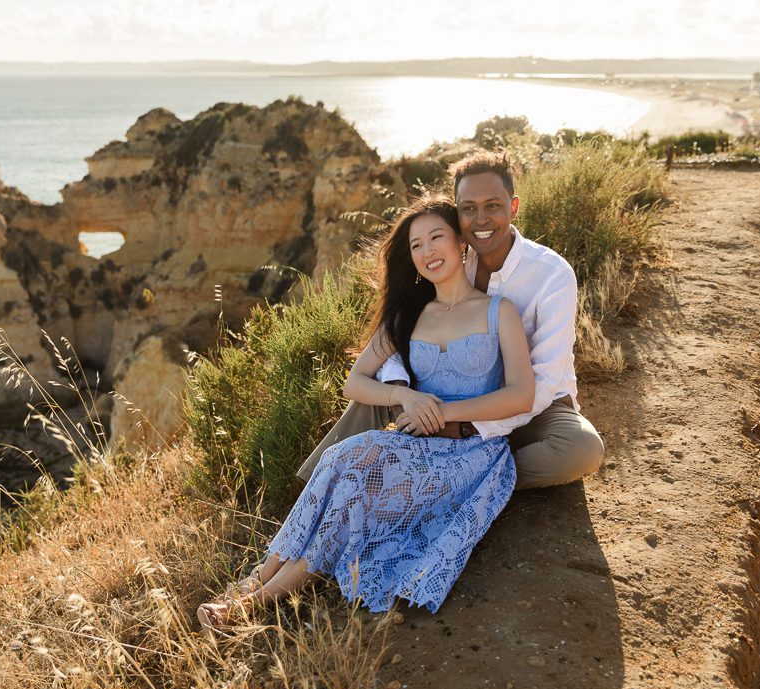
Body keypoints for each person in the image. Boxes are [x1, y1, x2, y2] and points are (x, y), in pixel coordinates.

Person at [197, 195, 535, 634]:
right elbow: (354, 382)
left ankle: (254, 603)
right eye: (417, 246)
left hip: (472, 455)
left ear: (461, 243)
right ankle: (250, 584)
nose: (428, 252)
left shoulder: (498, 310)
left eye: (437, 238)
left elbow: (522, 395)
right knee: (341, 460)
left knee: (354, 488)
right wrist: (408, 400)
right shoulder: (410, 315)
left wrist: (446, 409)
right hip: (416, 444)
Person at [297, 151, 604, 491]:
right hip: (451, 395)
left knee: (582, 449)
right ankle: (313, 490)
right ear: (457, 215)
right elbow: (404, 333)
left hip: (531, 409)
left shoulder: (552, 274)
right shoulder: (448, 257)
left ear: (513, 207)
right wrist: (404, 395)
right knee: (372, 401)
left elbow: (542, 384)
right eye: (469, 208)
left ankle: (466, 483)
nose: (481, 219)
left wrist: (464, 424)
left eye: (493, 206)